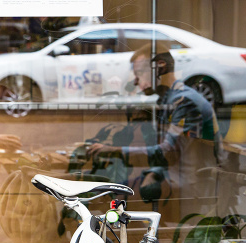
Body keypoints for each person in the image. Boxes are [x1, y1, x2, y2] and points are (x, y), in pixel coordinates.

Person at [88, 45, 223, 205]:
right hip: (171, 175)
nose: (136, 81)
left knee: (107, 196)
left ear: (160, 66)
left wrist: (113, 150)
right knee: (105, 190)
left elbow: (168, 152)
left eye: (139, 73)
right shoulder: (169, 99)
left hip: (191, 185)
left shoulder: (184, 101)